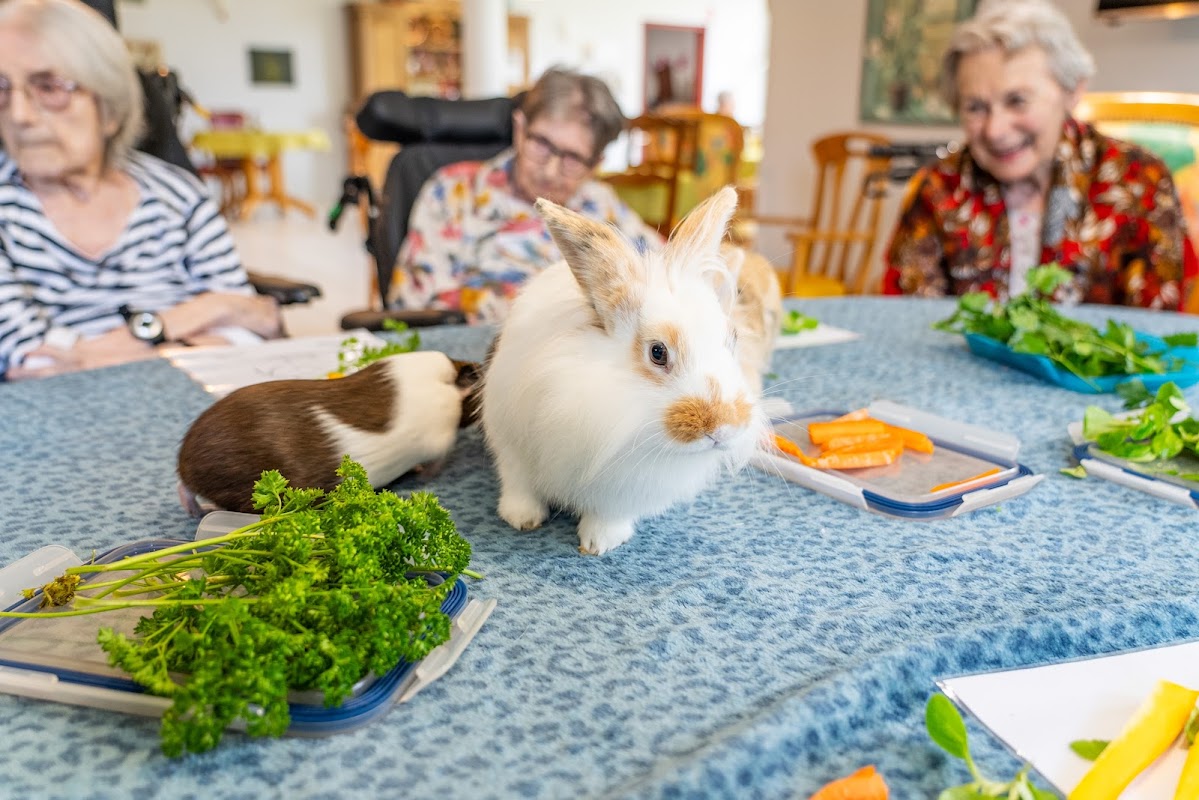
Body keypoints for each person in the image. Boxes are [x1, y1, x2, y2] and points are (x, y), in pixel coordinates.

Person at [0, 0, 282, 382]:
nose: (18, 114)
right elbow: (33, 366)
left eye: (49, 87)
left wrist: (95, 352)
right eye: (1, 88)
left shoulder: (178, 195)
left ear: (110, 107)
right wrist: (204, 314)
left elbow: (252, 328)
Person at [883, 0, 1196, 310]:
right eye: (975, 107)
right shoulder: (941, 186)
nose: (995, 130)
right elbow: (905, 319)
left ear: (1072, 91)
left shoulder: (1139, 181)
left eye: (1017, 100)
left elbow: (1161, 332)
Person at [391, 66, 662, 323]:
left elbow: (666, 269)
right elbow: (409, 309)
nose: (551, 171)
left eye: (573, 158)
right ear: (520, 129)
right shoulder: (451, 192)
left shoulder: (601, 203)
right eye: (543, 144)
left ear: (595, 165)